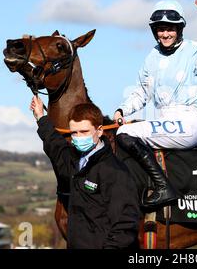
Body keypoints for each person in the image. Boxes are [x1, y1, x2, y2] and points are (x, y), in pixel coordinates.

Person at [113, 0, 197, 209]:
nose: (165, 34)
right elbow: (141, 92)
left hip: (188, 122)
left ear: (179, 29)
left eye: (170, 29)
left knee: (124, 134)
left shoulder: (195, 50)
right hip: (163, 121)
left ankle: (164, 188)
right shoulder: (151, 58)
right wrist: (122, 109)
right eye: (160, 29)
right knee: (123, 132)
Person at [30, 96, 141, 249]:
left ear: (100, 130)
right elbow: (55, 145)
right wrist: (41, 117)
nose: (79, 137)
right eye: (74, 133)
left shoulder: (114, 172)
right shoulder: (76, 162)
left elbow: (125, 224)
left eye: (84, 131)